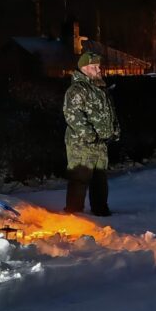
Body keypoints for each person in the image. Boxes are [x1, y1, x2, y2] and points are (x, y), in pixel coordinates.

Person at [63, 51, 120, 217]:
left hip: (100, 143)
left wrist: (114, 129)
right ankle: (74, 214)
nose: (99, 69)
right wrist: (89, 135)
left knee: (100, 180)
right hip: (81, 144)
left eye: (98, 66)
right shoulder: (77, 90)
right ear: (85, 68)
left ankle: (100, 210)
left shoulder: (100, 88)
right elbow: (72, 114)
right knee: (79, 179)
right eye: (95, 66)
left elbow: (110, 111)